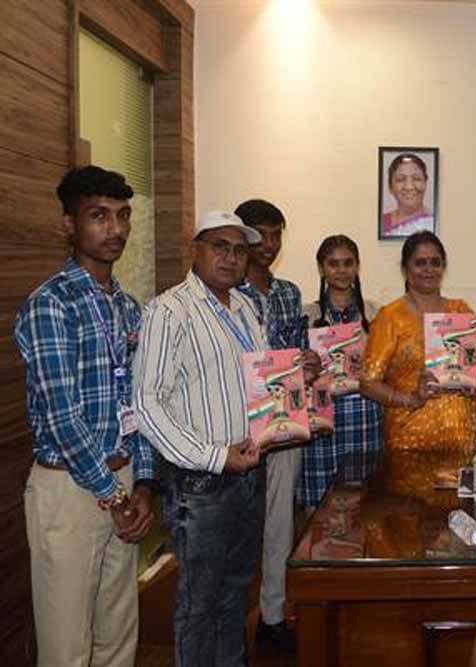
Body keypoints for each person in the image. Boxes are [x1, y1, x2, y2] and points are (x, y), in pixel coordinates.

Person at [14, 166, 155, 667]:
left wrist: (143, 486)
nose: (115, 229)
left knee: (118, 636)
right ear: (69, 224)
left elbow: (140, 402)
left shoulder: (128, 307)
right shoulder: (51, 304)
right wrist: (113, 495)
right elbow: (62, 418)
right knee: (66, 647)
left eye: (123, 215)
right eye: (99, 216)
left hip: (123, 481)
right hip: (71, 490)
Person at [133, 210, 268, 666]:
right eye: (219, 247)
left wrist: (295, 377)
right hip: (200, 483)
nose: (231, 258)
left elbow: (259, 380)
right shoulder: (169, 310)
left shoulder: (245, 308)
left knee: (236, 591)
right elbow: (147, 404)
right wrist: (213, 456)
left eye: (240, 250)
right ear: (196, 250)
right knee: (199, 604)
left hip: (249, 472)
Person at [233, 199, 307, 652]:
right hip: (235, 432)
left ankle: (273, 618)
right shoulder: (224, 290)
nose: (269, 243)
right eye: (260, 234)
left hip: (282, 427)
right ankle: (232, 628)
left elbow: (295, 352)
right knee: (238, 531)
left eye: (277, 234)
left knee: (280, 526)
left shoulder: (289, 293)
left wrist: (308, 362)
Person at [360, 231, 476, 452]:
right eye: (420, 263)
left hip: (461, 441)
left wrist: (474, 381)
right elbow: (368, 384)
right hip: (409, 443)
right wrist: (411, 399)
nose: (429, 269)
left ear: (443, 267)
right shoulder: (391, 317)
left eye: (435, 262)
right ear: (405, 268)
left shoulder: (460, 311)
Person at [300, 235, 383, 510]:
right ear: (321, 268)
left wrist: (370, 368)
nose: (341, 270)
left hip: (365, 420)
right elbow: (293, 374)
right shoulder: (306, 315)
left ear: (357, 266)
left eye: (348, 263)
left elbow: (390, 368)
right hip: (322, 423)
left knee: (365, 508)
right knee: (320, 510)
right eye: (333, 264)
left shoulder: (376, 313)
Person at [381, 153, 434, 237]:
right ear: (390, 187)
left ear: (425, 183)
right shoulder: (381, 222)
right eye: (400, 179)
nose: (409, 187)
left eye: (416, 179)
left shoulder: (432, 221)